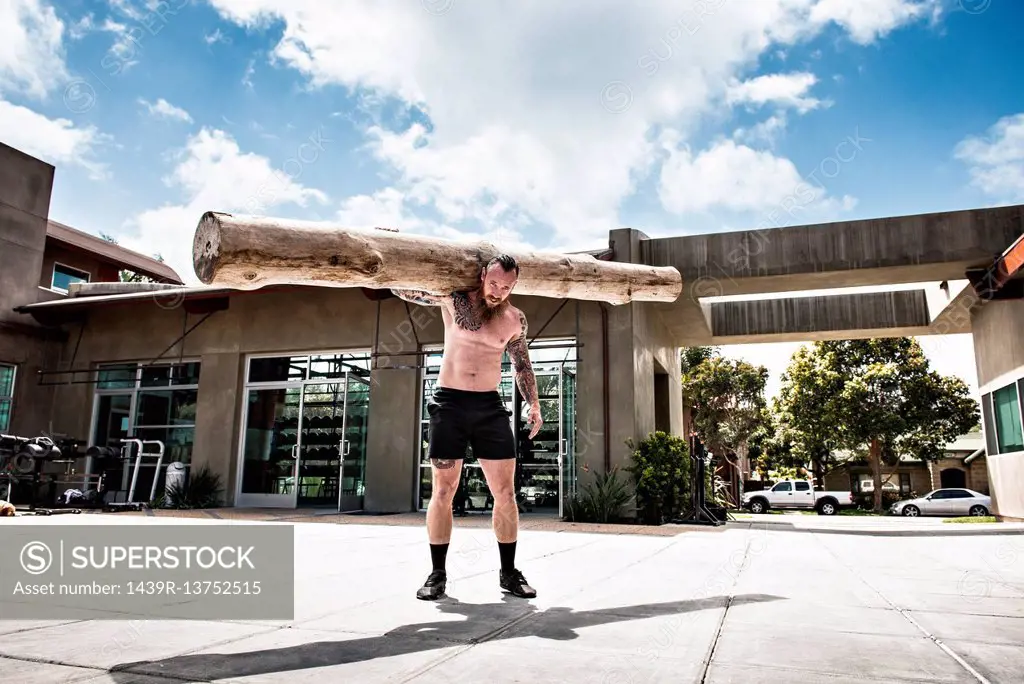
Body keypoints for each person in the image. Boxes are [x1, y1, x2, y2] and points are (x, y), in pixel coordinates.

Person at [392, 254, 542, 601]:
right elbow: (406, 290)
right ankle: (437, 574)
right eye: (493, 283)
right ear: (481, 275)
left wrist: (533, 403)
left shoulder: (515, 319)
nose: (498, 292)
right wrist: (383, 260)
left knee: (505, 493)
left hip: (490, 406)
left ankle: (508, 573)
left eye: (506, 287)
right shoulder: (454, 299)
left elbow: (521, 366)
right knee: (444, 491)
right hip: (450, 403)